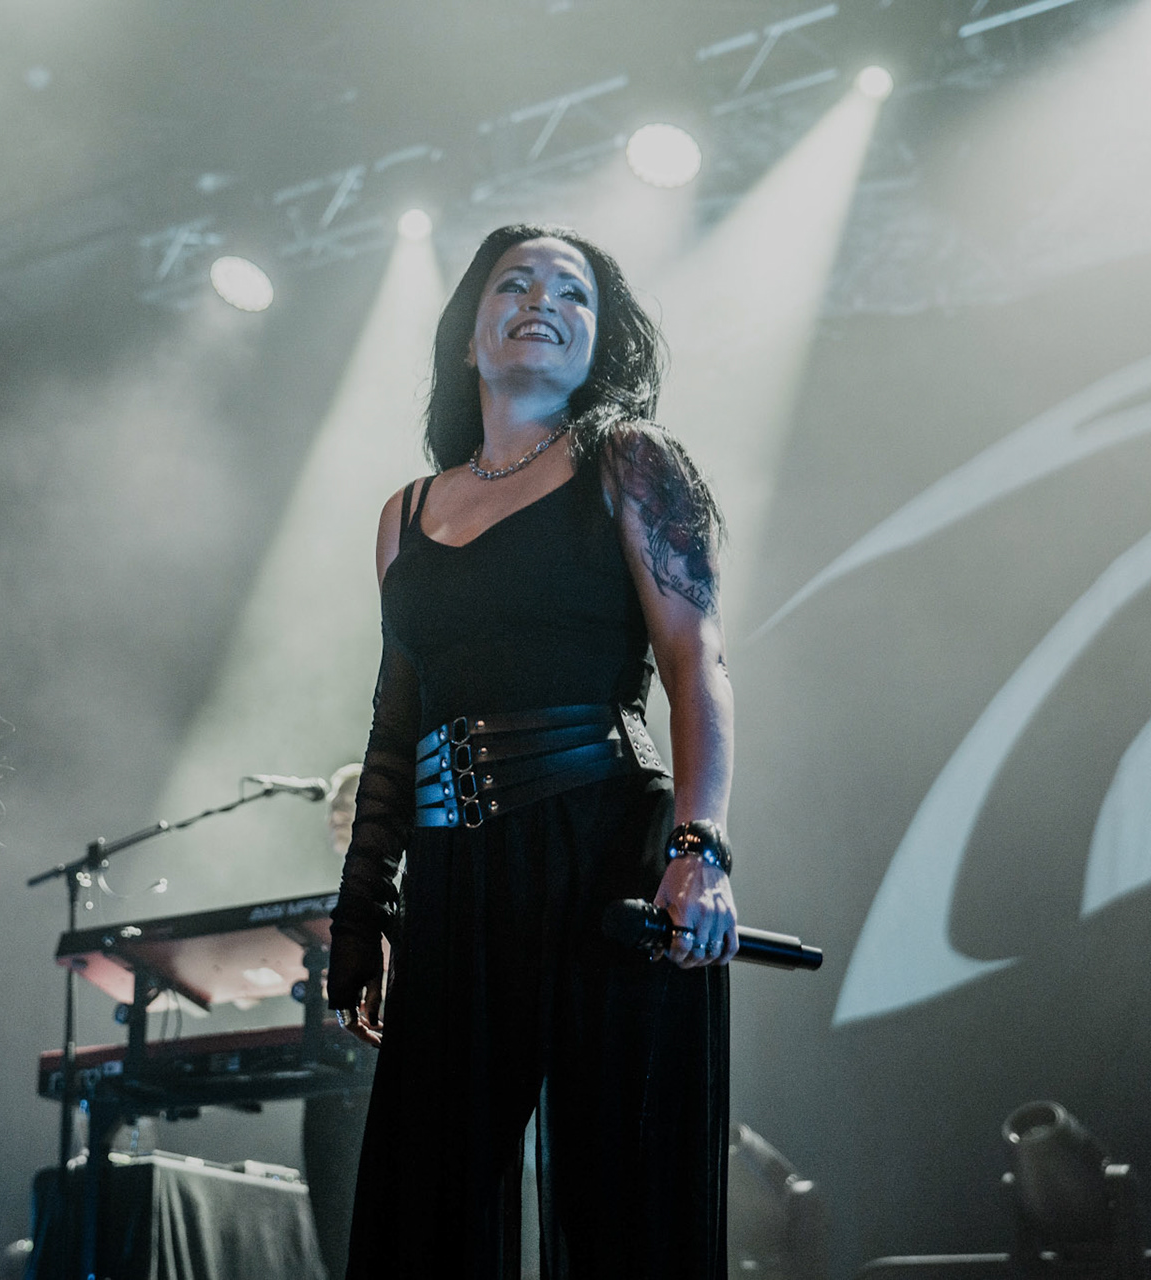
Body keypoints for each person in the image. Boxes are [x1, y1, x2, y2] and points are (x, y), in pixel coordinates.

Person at [325, 224, 738, 1279]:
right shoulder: (406, 514)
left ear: (598, 340)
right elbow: (394, 722)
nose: (544, 301)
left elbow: (695, 661)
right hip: (455, 879)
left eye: (574, 291)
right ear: (471, 331)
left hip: (600, 851)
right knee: (425, 1203)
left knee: (617, 1198)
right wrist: (363, 909)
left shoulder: (630, 463)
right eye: (515, 283)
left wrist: (702, 847)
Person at [303, 763, 369, 1280]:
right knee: (332, 1221)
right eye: (332, 810)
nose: (336, 817)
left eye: (347, 805)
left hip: (379, 1058)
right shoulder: (332, 896)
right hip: (334, 1062)